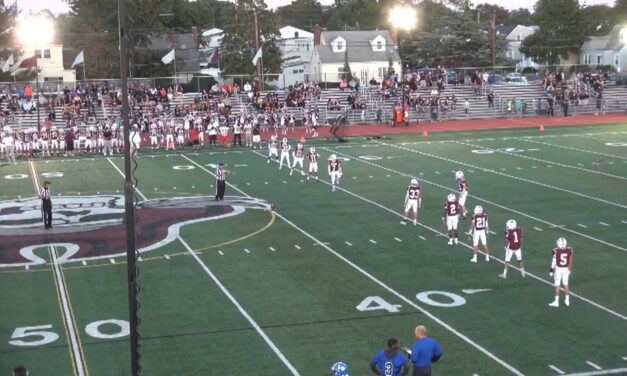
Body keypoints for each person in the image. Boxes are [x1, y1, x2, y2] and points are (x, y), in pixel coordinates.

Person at [549, 237, 573, 307]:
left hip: (558, 269)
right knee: (566, 284)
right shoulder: (569, 250)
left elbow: (553, 262)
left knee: (557, 285)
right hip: (566, 269)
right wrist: (569, 270)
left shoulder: (556, 251)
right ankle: (567, 300)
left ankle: (556, 302)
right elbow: (570, 261)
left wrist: (551, 270)